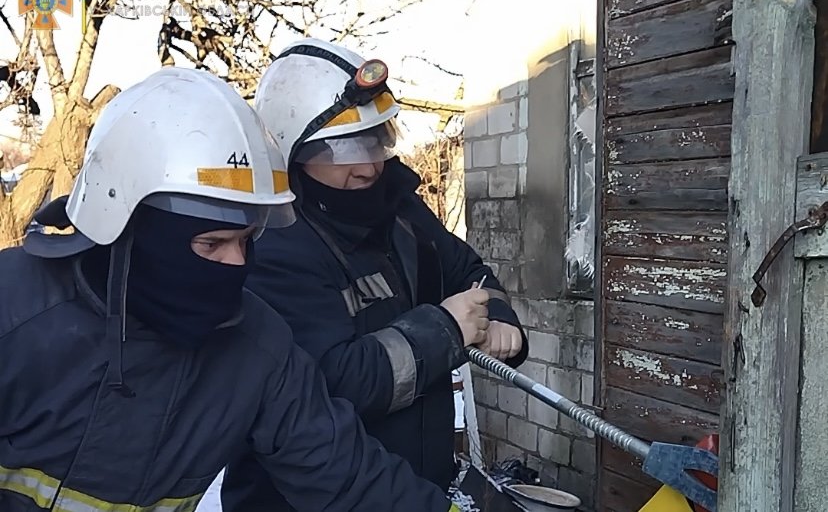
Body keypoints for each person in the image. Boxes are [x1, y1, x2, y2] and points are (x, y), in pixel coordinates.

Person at [0, 66, 461, 512]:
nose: (238, 263)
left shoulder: (257, 347)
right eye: (212, 244)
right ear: (129, 227)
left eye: (246, 240)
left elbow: (346, 476)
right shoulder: (14, 309)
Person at [221, 38, 529, 512]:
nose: (367, 166)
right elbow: (328, 382)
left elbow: (467, 270)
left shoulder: (401, 210)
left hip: (414, 486)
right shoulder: (274, 243)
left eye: (374, 140)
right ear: (290, 152)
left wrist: (500, 316)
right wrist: (445, 330)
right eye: (343, 149)